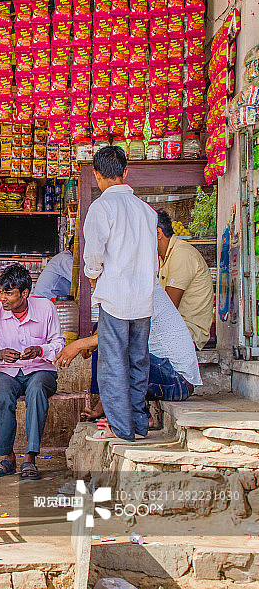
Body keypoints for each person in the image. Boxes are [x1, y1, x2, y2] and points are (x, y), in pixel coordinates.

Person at [83, 145, 158, 442]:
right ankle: (138, 424)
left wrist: (93, 280)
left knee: (113, 364)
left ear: (97, 175)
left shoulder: (101, 208)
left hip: (115, 298)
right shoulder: (146, 211)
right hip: (143, 298)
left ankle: (120, 427)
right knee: (139, 361)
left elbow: (93, 256)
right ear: (126, 173)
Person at [56, 281, 203, 421]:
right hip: (166, 374)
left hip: (177, 381)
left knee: (114, 348)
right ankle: (112, 407)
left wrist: (78, 345)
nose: (93, 282)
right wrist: (91, 342)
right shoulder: (128, 287)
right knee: (101, 335)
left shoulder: (138, 289)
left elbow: (117, 337)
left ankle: (137, 418)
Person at [0, 263, 65, 480]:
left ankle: (30, 458)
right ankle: (8, 457)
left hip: (40, 371)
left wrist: (40, 350)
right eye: (0, 292)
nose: (2, 298)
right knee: (1, 392)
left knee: (36, 390)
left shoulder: (45, 308)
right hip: (7, 371)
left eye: (9, 293)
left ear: (25, 293)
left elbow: (59, 343)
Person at [157, 210, 214, 350]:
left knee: (122, 341)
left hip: (188, 335)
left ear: (158, 233)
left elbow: (167, 308)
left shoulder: (182, 253)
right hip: (171, 331)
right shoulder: (162, 257)